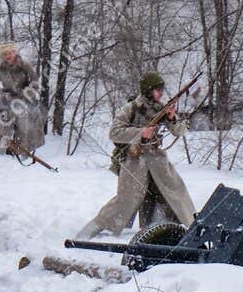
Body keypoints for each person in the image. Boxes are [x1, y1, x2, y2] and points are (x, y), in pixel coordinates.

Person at [75, 73, 196, 238]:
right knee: (127, 199)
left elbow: (179, 131)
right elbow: (114, 133)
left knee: (174, 192)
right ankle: (89, 231)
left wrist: (172, 116)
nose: (160, 92)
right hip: (134, 160)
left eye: (161, 89)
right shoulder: (131, 108)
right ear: (147, 90)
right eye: (157, 89)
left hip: (156, 160)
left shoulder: (161, 108)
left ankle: (167, 232)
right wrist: (140, 133)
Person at [0, 42, 46, 152]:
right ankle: (2, 149)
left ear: (15, 52)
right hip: (7, 100)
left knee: (25, 126)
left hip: (24, 100)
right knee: (3, 125)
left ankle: (23, 149)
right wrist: (2, 96)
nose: (8, 56)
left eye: (11, 52)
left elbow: (35, 82)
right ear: (2, 55)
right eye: (5, 53)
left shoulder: (25, 65)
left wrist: (27, 93)